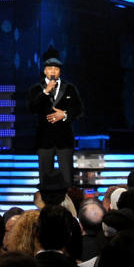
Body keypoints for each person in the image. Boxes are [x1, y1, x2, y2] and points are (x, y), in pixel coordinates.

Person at [27, 56, 83, 196]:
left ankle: (69, 209)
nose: (53, 71)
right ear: (45, 71)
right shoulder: (36, 89)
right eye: (50, 68)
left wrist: (63, 115)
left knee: (67, 178)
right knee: (45, 177)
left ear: (60, 71)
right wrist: (46, 92)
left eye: (56, 68)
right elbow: (32, 108)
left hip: (64, 140)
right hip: (44, 140)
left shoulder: (69, 88)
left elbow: (79, 110)